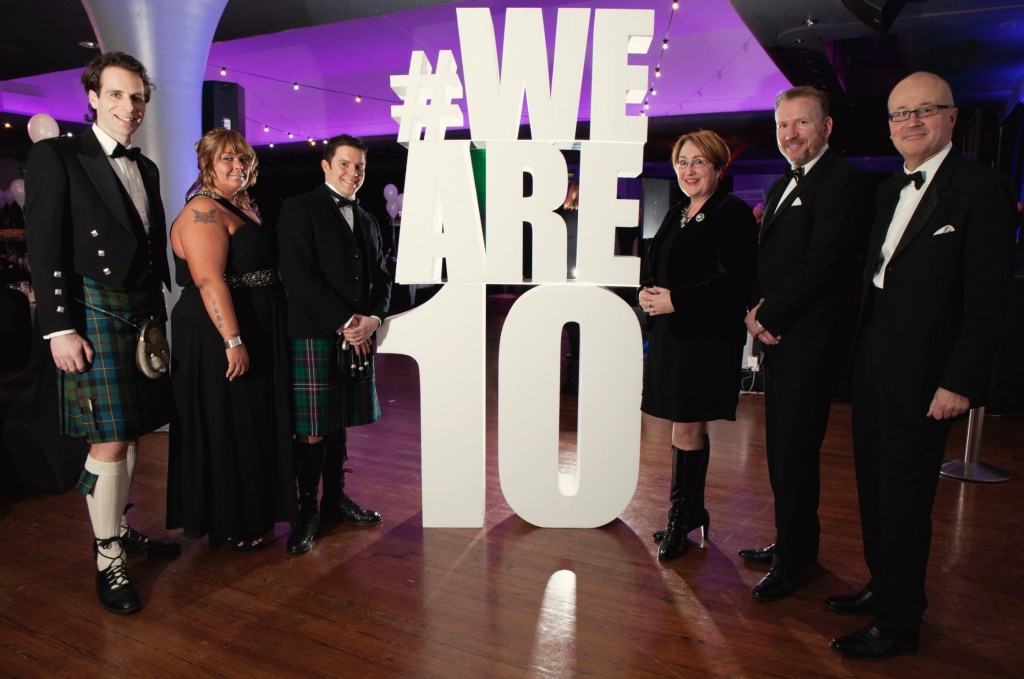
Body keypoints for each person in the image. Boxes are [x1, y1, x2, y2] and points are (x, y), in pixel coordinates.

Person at [829, 72, 1014, 661]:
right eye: (899, 114)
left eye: (925, 110)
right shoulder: (888, 192)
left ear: (952, 117)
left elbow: (988, 300)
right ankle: (883, 585)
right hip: (873, 364)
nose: (911, 122)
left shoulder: (982, 190)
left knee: (905, 499)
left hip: (929, 377)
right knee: (872, 488)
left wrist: (960, 381)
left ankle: (900, 619)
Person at [24, 52, 179, 615]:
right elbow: (44, 247)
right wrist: (59, 327)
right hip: (90, 310)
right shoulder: (57, 156)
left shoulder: (147, 167)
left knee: (130, 432)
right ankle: (107, 554)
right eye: (116, 94)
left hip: (138, 310)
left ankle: (119, 526)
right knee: (107, 440)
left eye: (137, 96)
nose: (128, 107)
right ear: (92, 96)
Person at [740, 86, 870, 599]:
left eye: (801, 124)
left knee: (794, 452)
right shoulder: (781, 186)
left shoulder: (844, 183)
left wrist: (764, 316)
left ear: (826, 128)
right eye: (782, 126)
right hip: (780, 338)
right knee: (781, 452)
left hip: (811, 342)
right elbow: (768, 260)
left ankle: (794, 561)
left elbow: (824, 265)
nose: (790, 134)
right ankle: (791, 541)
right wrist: (757, 313)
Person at [165, 128, 296, 552]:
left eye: (243, 159)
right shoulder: (203, 210)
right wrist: (233, 339)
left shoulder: (241, 206)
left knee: (252, 423)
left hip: (254, 326)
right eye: (227, 160)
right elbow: (208, 280)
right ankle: (233, 520)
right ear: (207, 164)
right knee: (231, 425)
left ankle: (252, 513)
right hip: (219, 333)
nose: (237, 166)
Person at [640, 130, 757, 561]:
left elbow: (734, 282)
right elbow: (654, 266)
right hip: (673, 334)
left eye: (699, 162)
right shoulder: (677, 213)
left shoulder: (733, 214)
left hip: (705, 336)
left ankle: (682, 514)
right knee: (681, 425)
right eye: (682, 162)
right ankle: (689, 510)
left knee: (687, 424)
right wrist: (646, 294)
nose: (689, 171)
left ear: (718, 167)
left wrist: (677, 299)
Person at [278, 134, 392, 555]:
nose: (352, 173)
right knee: (311, 429)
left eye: (359, 167)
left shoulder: (368, 219)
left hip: (357, 334)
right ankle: (306, 511)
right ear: (326, 166)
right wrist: (347, 322)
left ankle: (334, 500)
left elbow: (383, 278)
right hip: (316, 333)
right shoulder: (299, 208)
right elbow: (298, 275)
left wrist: (373, 319)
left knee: (338, 420)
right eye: (344, 164)